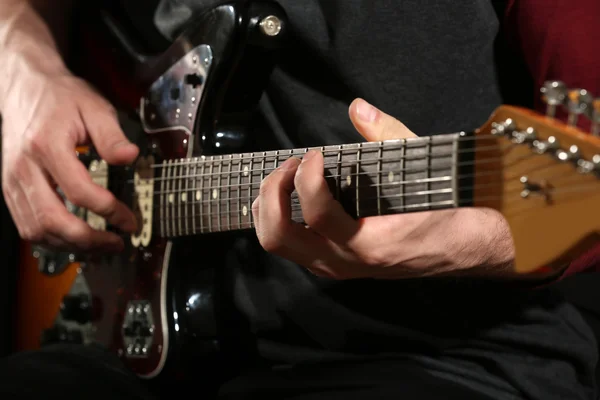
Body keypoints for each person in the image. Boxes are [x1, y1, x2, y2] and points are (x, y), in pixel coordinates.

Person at [0, 0, 599, 399]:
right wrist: (20, 60)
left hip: (456, 354)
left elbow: (586, 186)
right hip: (144, 336)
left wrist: (479, 238)